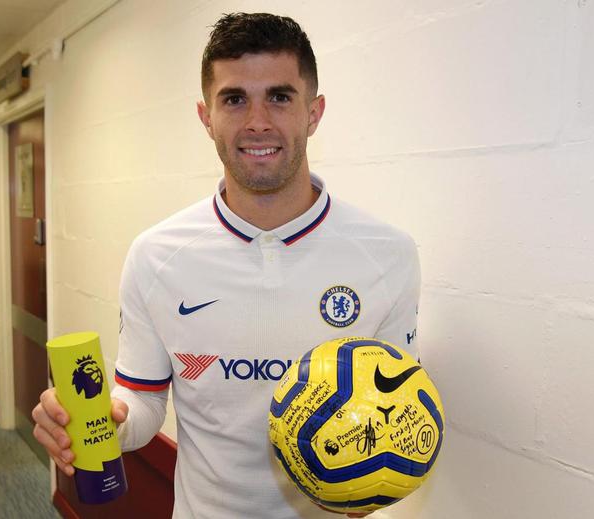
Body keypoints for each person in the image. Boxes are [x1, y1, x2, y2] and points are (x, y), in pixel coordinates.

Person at [32, 12, 420, 519]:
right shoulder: (156, 256)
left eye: (279, 97)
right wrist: (104, 422)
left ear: (314, 112)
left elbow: (394, 408)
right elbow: (143, 403)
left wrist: (375, 480)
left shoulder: (388, 255)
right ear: (206, 117)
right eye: (234, 99)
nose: (257, 121)